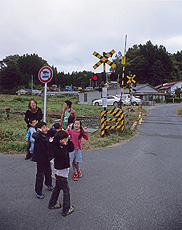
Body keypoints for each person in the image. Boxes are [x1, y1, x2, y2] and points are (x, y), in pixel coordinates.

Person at [48, 130, 75, 216]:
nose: (66, 140)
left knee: (58, 187)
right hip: (60, 171)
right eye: (65, 139)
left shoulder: (64, 145)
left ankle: (52, 203)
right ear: (60, 140)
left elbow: (71, 148)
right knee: (66, 190)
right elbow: (62, 154)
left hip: (62, 170)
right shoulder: (55, 147)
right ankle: (66, 209)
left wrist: (68, 142)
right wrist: (64, 145)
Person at [32, 121, 54, 199]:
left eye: (46, 127)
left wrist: (49, 129)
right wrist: (38, 131)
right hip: (40, 159)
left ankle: (49, 184)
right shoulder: (38, 136)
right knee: (40, 175)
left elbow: (54, 131)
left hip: (47, 158)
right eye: (43, 127)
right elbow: (35, 135)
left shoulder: (47, 135)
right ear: (39, 129)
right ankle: (38, 191)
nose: (46, 129)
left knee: (48, 172)